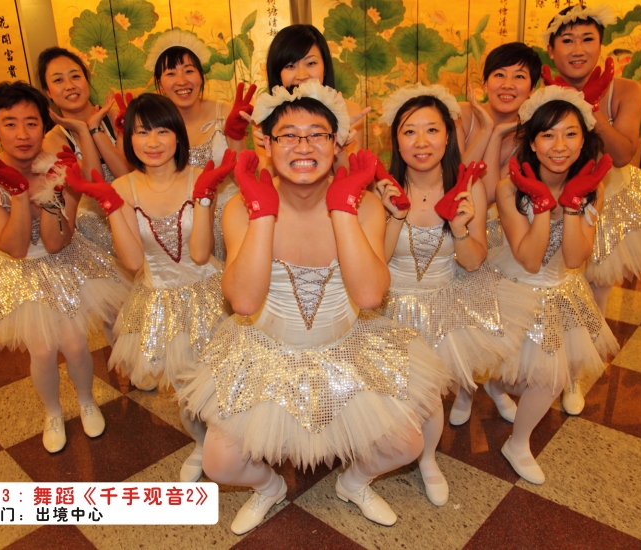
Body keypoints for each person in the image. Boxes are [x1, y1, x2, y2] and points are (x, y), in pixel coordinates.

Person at [180, 81, 450, 534]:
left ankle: (353, 484)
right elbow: (243, 301)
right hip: (266, 352)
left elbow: (370, 296)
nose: (303, 146)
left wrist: (343, 208)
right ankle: (269, 488)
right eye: (288, 135)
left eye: (317, 135)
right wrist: (262, 213)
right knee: (220, 463)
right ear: (266, 144)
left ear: (337, 143)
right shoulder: (241, 209)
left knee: (406, 444)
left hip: (346, 349)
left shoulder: (365, 206)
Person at [0, 81, 129, 453]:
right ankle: (53, 413)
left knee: (75, 344)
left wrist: (51, 193)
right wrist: (17, 193)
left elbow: (56, 241)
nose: (22, 134)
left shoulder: (59, 165)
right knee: (43, 351)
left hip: (62, 258)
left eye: (31, 123)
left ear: (43, 127)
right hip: (16, 269)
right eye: (10, 123)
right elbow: (14, 247)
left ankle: (86, 401)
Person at [65, 93, 234, 482]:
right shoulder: (124, 186)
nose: (153, 142)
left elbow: (200, 253)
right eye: (142, 132)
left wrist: (204, 199)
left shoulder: (199, 175)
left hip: (208, 292)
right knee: (185, 390)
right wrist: (111, 206)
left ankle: (230, 447)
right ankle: (201, 445)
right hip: (159, 301)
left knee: (221, 381)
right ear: (129, 138)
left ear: (177, 135)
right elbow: (133, 261)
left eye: (162, 131)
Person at [541, 4, 641, 414]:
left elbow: (624, 154)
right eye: (567, 40)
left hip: (610, 198)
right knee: (554, 287)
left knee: (596, 292)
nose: (577, 49)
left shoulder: (624, 89)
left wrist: (589, 110)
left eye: (587, 39)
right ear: (552, 50)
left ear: (601, 45)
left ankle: (576, 375)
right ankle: (549, 366)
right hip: (558, 202)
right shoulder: (544, 92)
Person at [375, 84, 532, 439]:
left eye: (432, 130)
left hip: (446, 302)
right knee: (397, 396)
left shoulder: (467, 186)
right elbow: (376, 262)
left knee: (432, 393)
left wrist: (459, 230)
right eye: (409, 132)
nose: (421, 142)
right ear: (396, 140)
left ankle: (430, 453)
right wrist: (395, 216)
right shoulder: (381, 188)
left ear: (448, 137)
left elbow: (474, 262)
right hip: (391, 305)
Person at [486, 86, 619, 484]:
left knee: (553, 376)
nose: (559, 146)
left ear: (584, 139)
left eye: (570, 134)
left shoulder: (592, 187)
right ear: (532, 141)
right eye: (548, 134)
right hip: (516, 290)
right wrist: (543, 205)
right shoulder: (508, 188)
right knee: (507, 375)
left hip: (561, 291)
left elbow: (575, 259)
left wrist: (574, 205)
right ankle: (494, 388)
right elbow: (529, 259)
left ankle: (518, 443)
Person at [144, 29, 253, 262]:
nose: (182, 81)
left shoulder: (225, 112)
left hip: (231, 217)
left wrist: (235, 135)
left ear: (201, 77)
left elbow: (242, 179)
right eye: (171, 73)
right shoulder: (156, 126)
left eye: (189, 71)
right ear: (160, 83)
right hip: (184, 224)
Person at [37, 47, 130, 256]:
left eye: (75, 76)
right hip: (90, 234)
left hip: (131, 216)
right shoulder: (54, 139)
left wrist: (96, 128)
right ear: (48, 92)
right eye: (58, 80)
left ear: (86, 80)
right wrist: (83, 130)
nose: (70, 86)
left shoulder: (116, 116)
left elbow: (125, 174)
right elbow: (91, 181)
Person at [456, 43, 542, 249]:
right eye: (499, 75)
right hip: (447, 224)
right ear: (485, 84)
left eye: (519, 76)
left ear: (532, 89)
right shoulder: (460, 115)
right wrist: (486, 130)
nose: (508, 85)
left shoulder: (529, 139)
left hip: (493, 234)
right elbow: (456, 181)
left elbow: (488, 195)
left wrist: (496, 135)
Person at [252, 24, 370, 170]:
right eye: (290, 66)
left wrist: (339, 148)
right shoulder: (266, 114)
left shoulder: (349, 111)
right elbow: (267, 180)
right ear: (278, 73)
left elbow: (353, 180)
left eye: (311, 63)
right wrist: (271, 148)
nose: (302, 75)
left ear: (325, 67)